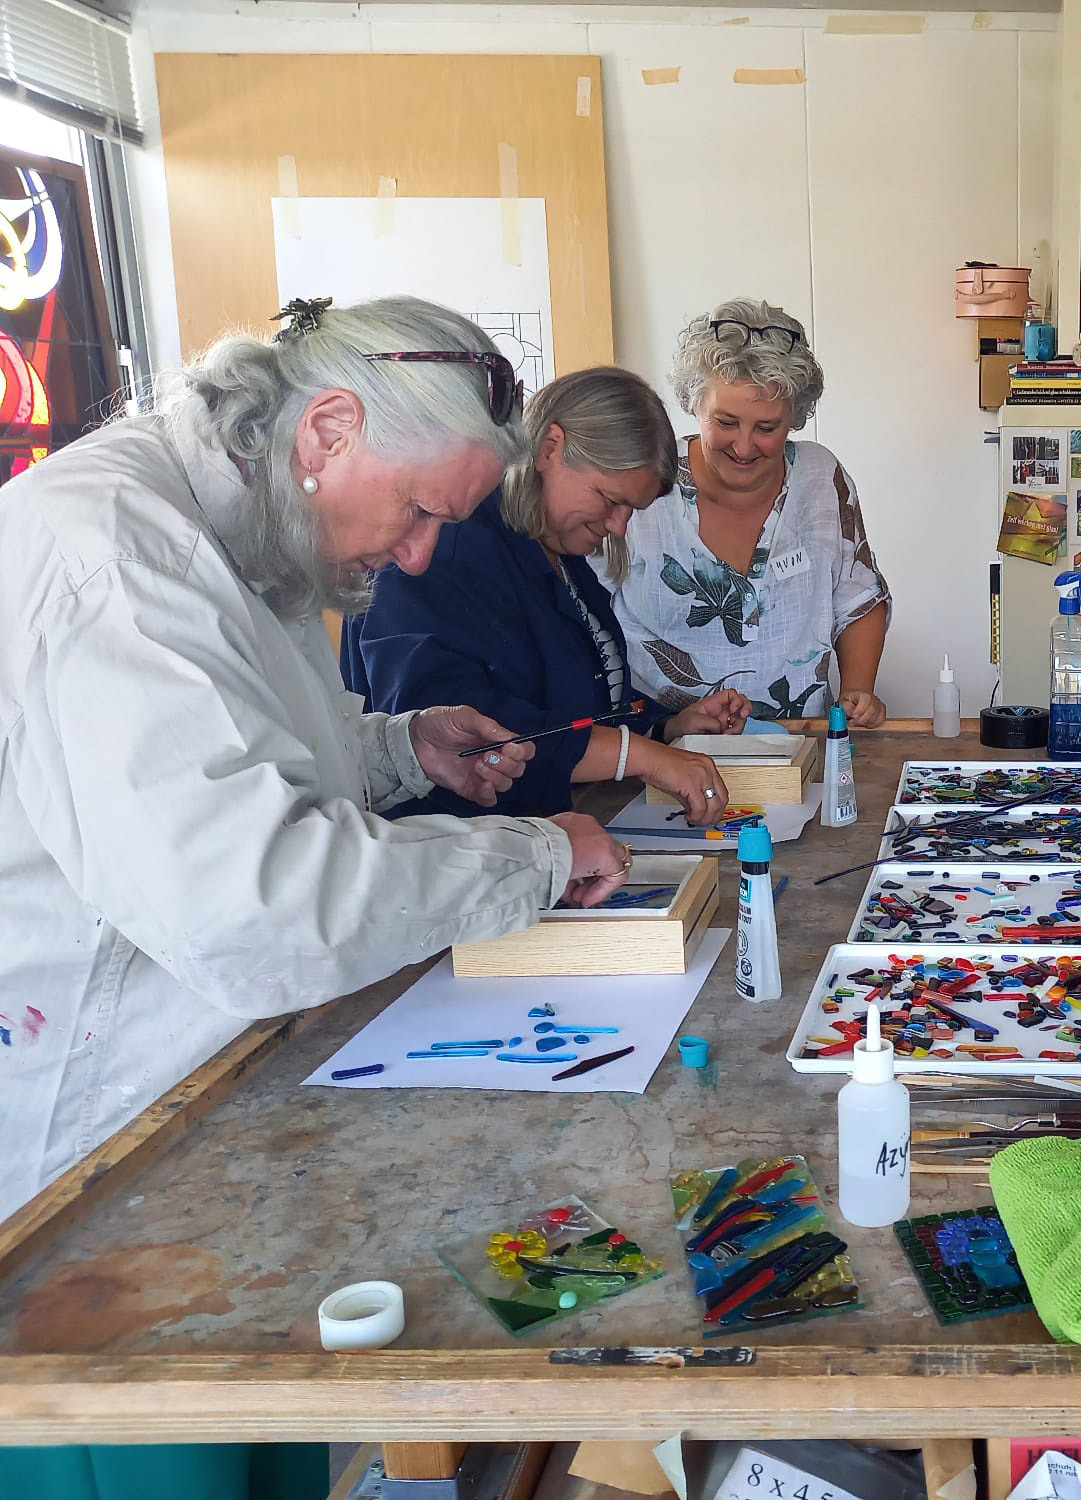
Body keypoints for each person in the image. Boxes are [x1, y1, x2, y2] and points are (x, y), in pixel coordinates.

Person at [0, 296, 635, 1225]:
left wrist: (400, 747)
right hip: (88, 1110)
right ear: (329, 431)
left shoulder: (256, 509)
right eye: (417, 510)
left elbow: (252, 740)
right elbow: (254, 906)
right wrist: (536, 853)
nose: (419, 557)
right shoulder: (125, 567)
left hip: (193, 1070)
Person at [342, 366, 745, 824]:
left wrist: (664, 728)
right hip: (450, 847)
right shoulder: (445, 548)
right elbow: (454, 719)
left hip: (546, 839)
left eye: (631, 510)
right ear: (551, 448)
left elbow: (573, 705)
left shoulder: (557, 550)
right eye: (610, 499)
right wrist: (644, 757)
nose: (618, 526)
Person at [605, 299, 892, 725]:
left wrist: (857, 690)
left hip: (798, 747)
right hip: (659, 746)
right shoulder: (642, 486)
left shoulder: (819, 477)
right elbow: (585, 616)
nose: (743, 447)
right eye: (725, 422)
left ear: (795, 417)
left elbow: (858, 598)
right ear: (694, 404)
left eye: (766, 428)